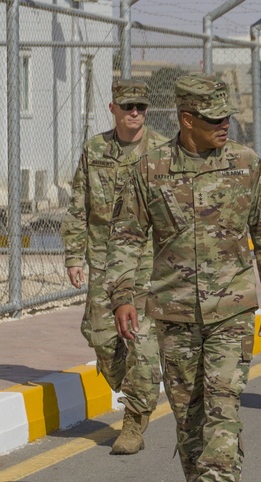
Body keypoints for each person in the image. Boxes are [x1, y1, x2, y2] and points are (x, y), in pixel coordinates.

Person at [104, 73, 261, 482]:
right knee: (188, 413)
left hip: (230, 309)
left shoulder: (247, 165)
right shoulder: (150, 168)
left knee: (222, 404)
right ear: (187, 120)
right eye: (213, 119)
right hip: (172, 311)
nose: (225, 125)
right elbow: (125, 236)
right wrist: (123, 295)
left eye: (227, 117)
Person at [61, 79, 167, 455]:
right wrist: (74, 254)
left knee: (140, 341)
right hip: (105, 259)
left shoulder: (163, 151)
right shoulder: (95, 149)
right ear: (114, 109)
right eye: (128, 106)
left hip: (149, 262)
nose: (134, 112)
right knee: (100, 335)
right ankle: (142, 382)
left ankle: (134, 422)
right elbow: (79, 203)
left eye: (140, 106)